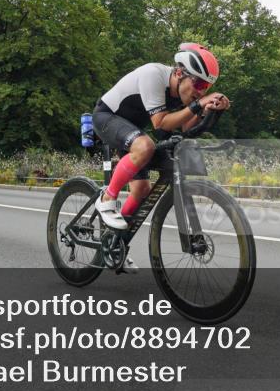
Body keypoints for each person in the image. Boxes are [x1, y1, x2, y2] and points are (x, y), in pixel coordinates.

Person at [91, 43, 230, 272]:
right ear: (178, 72)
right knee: (145, 146)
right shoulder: (152, 74)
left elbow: (185, 126)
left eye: (206, 87)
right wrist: (198, 104)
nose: (201, 91)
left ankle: (115, 243)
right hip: (107, 117)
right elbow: (160, 123)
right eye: (199, 83)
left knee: (142, 189)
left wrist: (211, 112)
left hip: (132, 131)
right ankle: (107, 198)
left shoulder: (180, 96)